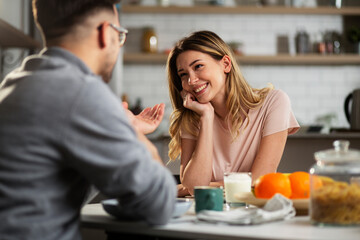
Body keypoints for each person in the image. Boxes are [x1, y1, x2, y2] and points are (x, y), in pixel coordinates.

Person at [0, 0, 177, 239]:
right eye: (120, 35)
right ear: (106, 33)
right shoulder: (81, 92)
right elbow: (159, 202)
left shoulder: (16, 82)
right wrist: (130, 130)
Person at [167, 31, 300, 196]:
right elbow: (195, 186)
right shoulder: (192, 117)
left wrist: (188, 188)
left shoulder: (274, 103)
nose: (191, 80)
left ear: (226, 64)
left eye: (198, 66)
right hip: (206, 213)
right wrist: (207, 117)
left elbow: (259, 180)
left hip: (252, 213)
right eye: (183, 74)